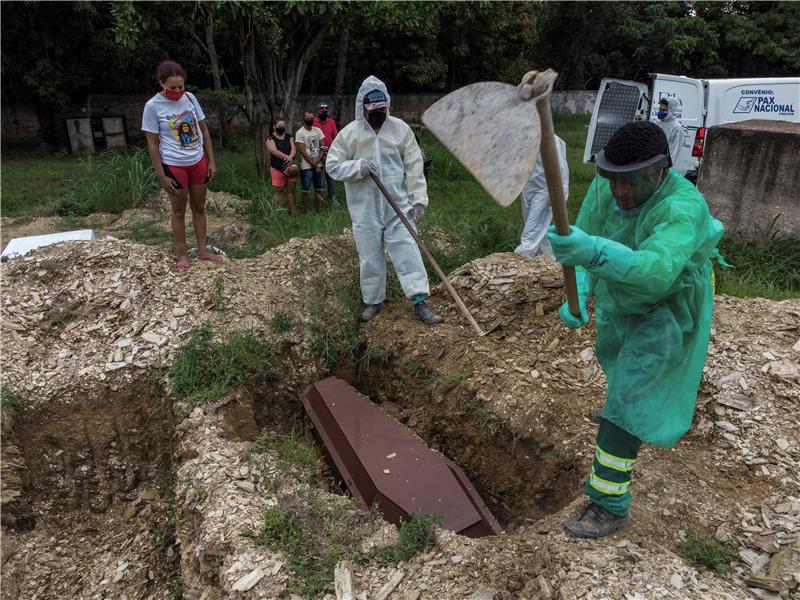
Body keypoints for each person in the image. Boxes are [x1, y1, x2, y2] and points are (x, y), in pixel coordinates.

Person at [545, 121, 724, 539]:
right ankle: (624, 409)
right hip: (620, 297)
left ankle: (609, 504)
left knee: (627, 398)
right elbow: (586, 235)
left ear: (659, 172)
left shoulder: (683, 206)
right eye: (613, 181)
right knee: (617, 357)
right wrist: (583, 286)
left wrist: (593, 252)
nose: (620, 193)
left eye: (631, 183)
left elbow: (656, 272)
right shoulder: (608, 188)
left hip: (667, 305)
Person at [326, 75, 443, 325]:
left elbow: (414, 165)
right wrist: (358, 166)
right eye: (374, 110)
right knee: (369, 256)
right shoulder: (350, 134)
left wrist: (419, 199)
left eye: (382, 108)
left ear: (387, 105)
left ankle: (419, 301)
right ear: (363, 108)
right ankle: (373, 301)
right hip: (364, 209)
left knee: (407, 249)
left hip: (398, 205)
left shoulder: (400, 130)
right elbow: (332, 166)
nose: (379, 113)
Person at [142, 60, 224, 271]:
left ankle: (203, 250)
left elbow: (204, 131)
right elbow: (152, 144)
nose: (178, 91)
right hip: (174, 164)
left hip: (197, 162)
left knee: (199, 207)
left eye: (181, 86)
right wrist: (161, 175)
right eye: (172, 87)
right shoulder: (153, 106)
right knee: (178, 211)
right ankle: (183, 255)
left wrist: (211, 161)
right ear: (161, 83)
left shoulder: (190, 98)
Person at [515, 135, 569, 259]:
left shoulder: (550, 139)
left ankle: (522, 255)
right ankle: (548, 259)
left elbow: (560, 168)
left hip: (546, 188)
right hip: (529, 187)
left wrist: (559, 192)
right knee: (538, 227)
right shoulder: (523, 137)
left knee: (535, 224)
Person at [266, 118, 299, 214]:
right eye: (279, 127)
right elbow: (273, 151)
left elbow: (293, 148)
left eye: (283, 127)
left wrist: (291, 156)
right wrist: (286, 157)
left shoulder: (289, 137)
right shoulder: (270, 138)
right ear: (274, 126)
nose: (282, 128)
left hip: (290, 166)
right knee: (280, 191)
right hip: (277, 167)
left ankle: (293, 212)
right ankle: (276, 212)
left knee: (291, 190)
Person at [295, 110, 326, 213]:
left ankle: (319, 210)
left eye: (312, 118)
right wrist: (314, 165)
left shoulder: (318, 130)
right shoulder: (300, 133)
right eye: (308, 118)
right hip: (306, 166)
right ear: (304, 119)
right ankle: (306, 212)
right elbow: (302, 151)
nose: (310, 120)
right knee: (305, 190)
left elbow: (323, 147)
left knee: (319, 189)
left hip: (319, 163)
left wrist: (317, 161)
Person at [313, 101, 340, 207]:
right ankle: (320, 200)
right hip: (317, 153)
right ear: (318, 112)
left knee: (331, 176)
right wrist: (320, 154)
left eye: (325, 111)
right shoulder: (314, 122)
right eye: (322, 111)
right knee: (320, 176)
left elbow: (336, 137)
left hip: (330, 153)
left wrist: (335, 151)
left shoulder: (331, 122)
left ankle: (332, 198)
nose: (324, 113)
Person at [655, 97, 684, 168]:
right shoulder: (657, 122)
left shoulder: (676, 127)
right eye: (660, 109)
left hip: (663, 163)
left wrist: (668, 167)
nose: (661, 112)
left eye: (664, 110)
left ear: (671, 110)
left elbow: (673, 150)